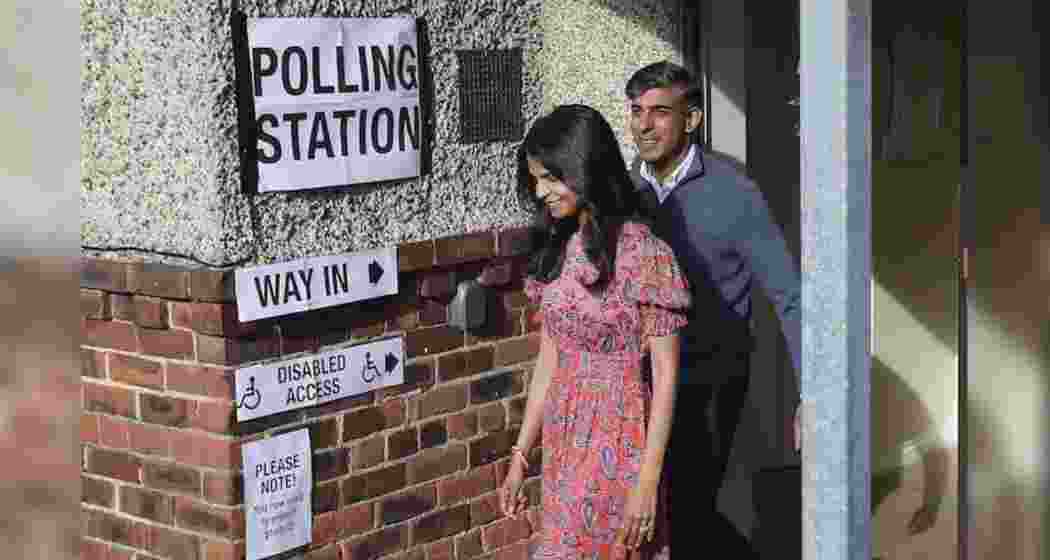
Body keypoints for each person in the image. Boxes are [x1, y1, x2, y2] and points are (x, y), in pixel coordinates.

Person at [623, 61, 802, 555]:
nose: (643, 124)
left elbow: (789, 295)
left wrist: (813, 393)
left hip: (710, 380)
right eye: (636, 111)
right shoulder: (623, 194)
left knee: (688, 510)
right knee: (651, 508)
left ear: (692, 119)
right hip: (639, 382)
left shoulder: (735, 191)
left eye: (660, 112)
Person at [499, 104, 691, 560]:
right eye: (535, 179)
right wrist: (521, 454)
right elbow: (550, 361)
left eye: (550, 177)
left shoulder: (645, 253)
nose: (540, 190)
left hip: (621, 441)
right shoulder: (557, 251)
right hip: (565, 442)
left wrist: (647, 483)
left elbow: (665, 380)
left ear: (583, 167)